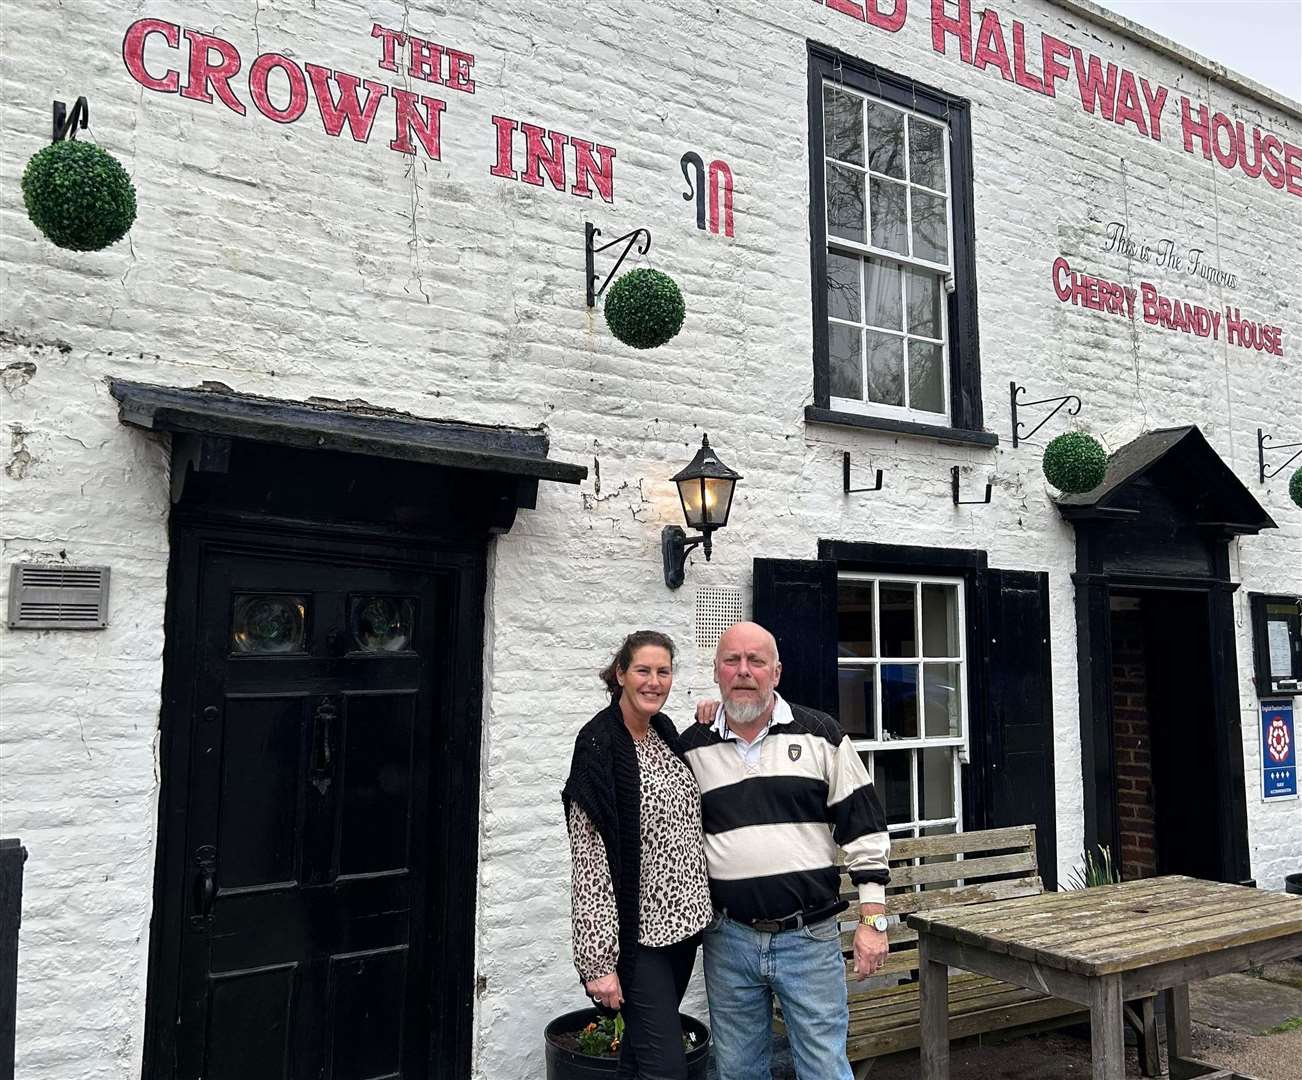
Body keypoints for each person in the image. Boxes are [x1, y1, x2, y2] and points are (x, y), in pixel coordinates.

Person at [679, 621, 891, 1080]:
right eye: (732, 660)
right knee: (737, 1070)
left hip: (808, 938)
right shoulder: (692, 748)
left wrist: (873, 919)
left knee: (824, 1068)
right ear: (716, 671)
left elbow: (864, 826)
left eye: (756, 661)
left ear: (776, 672)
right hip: (728, 937)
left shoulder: (821, 735)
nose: (744, 670)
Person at [561, 631, 714, 1080]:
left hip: (684, 931)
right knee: (666, 1067)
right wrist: (598, 964)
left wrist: (712, 716)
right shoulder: (597, 745)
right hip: (640, 940)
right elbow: (589, 865)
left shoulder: (664, 733)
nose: (654, 682)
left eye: (663, 672)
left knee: (639, 1056)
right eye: (643, 671)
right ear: (620, 675)